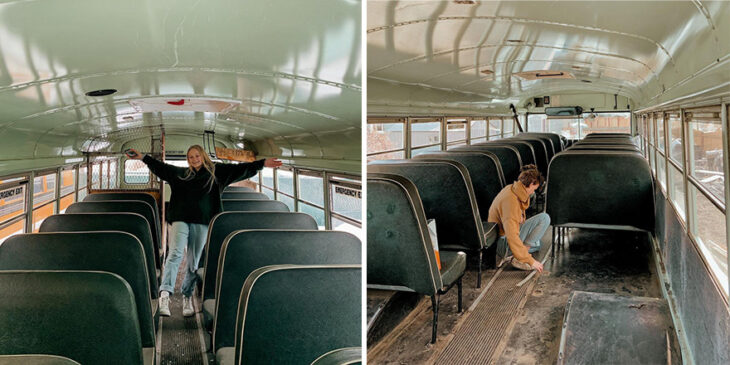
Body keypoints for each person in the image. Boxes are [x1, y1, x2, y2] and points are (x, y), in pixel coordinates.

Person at [126, 145, 282, 317]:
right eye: (191, 157)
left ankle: (187, 295)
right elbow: (161, 168)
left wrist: (262, 164)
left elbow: (241, 169)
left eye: (197, 156)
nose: (194, 159)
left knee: (194, 261)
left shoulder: (217, 173)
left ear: (203, 156)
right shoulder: (181, 175)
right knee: (176, 253)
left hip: (203, 221)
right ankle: (165, 295)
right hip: (180, 218)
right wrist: (143, 157)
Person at [488, 164, 550, 273]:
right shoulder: (511, 202)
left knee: (537, 243)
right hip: (502, 243)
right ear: (531, 184)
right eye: (534, 188)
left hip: (502, 237)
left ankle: (519, 254)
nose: (533, 192)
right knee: (544, 219)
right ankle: (519, 259)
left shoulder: (511, 189)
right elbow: (512, 235)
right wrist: (530, 261)